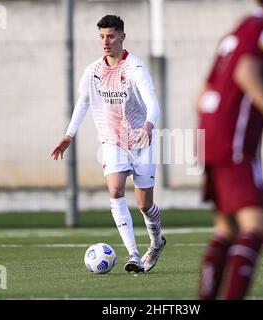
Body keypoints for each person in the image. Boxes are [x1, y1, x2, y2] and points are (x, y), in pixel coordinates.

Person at [196, 0, 263, 299]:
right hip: (235, 141)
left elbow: (202, 93)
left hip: (210, 135)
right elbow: (246, 72)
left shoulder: (242, 26)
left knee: (226, 228)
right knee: (257, 225)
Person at [51, 15, 166, 273]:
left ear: (122, 37)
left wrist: (148, 125)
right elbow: (84, 102)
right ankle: (134, 255)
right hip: (112, 140)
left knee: (144, 205)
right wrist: (69, 134)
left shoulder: (135, 68)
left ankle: (157, 242)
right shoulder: (93, 71)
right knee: (115, 191)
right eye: (102, 36)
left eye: (111, 36)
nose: (105, 41)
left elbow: (153, 104)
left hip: (141, 141)